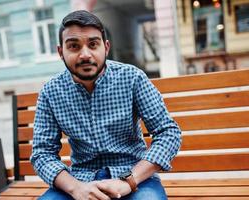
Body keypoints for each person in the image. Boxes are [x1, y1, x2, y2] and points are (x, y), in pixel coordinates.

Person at [31, 10, 181, 200]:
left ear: (106, 47)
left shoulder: (132, 78)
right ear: (61, 52)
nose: (85, 54)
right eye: (74, 46)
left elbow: (168, 133)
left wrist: (129, 181)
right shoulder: (50, 92)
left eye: (93, 44)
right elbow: (42, 153)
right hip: (78, 179)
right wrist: (75, 188)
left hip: (135, 177)